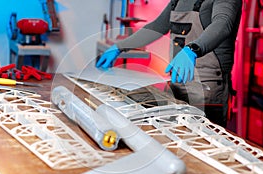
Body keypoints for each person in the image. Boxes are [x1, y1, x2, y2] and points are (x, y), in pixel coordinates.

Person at [96, 0, 243, 127]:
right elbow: (157, 27)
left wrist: (193, 50)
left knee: (203, 145)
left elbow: (223, 24)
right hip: (176, 84)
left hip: (207, 89)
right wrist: (120, 46)